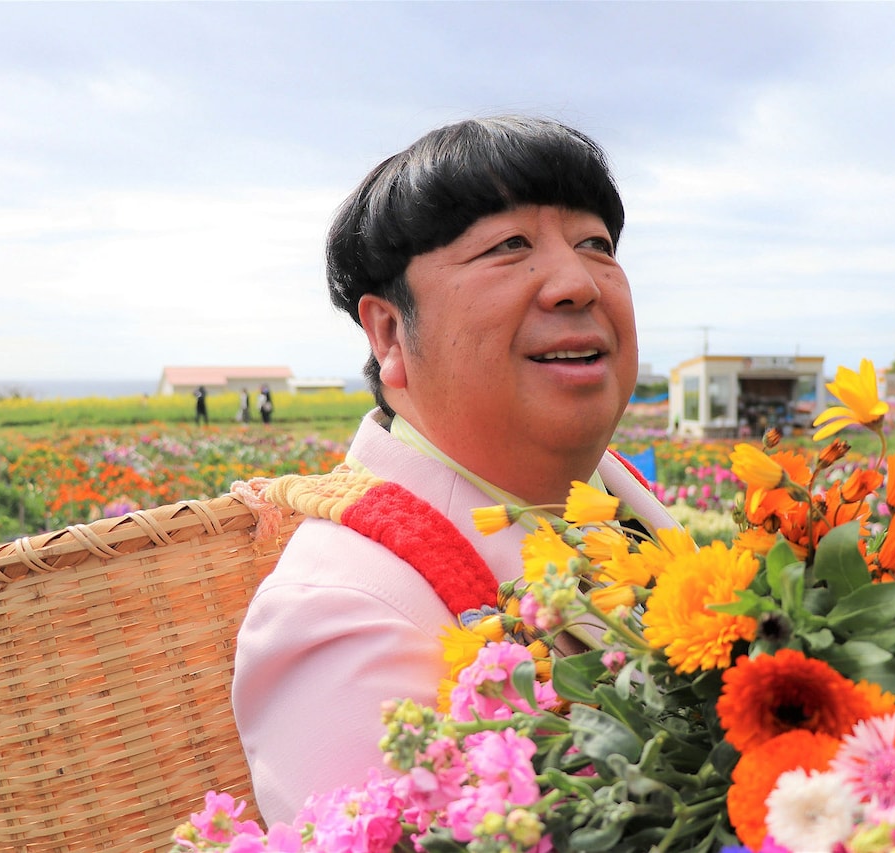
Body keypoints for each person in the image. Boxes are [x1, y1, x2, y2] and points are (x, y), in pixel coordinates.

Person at [231, 115, 677, 824]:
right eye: (508, 246)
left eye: (596, 243)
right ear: (390, 333)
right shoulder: (342, 616)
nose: (576, 283)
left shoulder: (621, 498)